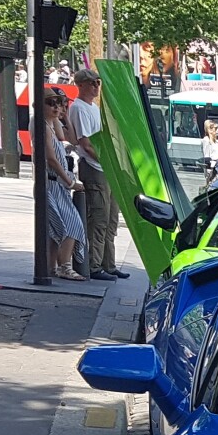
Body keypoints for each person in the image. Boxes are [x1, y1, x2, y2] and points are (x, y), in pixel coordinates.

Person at [68, 69, 128, 281]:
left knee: (112, 219)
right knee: (99, 218)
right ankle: (94, 265)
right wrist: (105, 160)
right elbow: (85, 142)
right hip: (94, 167)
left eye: (97, 82)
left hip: (107, 168)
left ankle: (108, 263)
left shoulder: (94, 107)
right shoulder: (78, 108)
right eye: (92, 83)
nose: (96, 86)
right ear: (81, 84)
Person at [43, 91, 88, 280]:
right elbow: (51, 159)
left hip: (58, 185)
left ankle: (53, 267)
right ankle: (64, 266)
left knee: (59, 229)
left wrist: (65, 115)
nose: (56, 107)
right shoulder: (41, 126)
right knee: (72, 225)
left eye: (58, 103)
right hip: (52, 184)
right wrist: (70, 182)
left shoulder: (51, 125)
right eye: (51, 103)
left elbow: (70, 138)